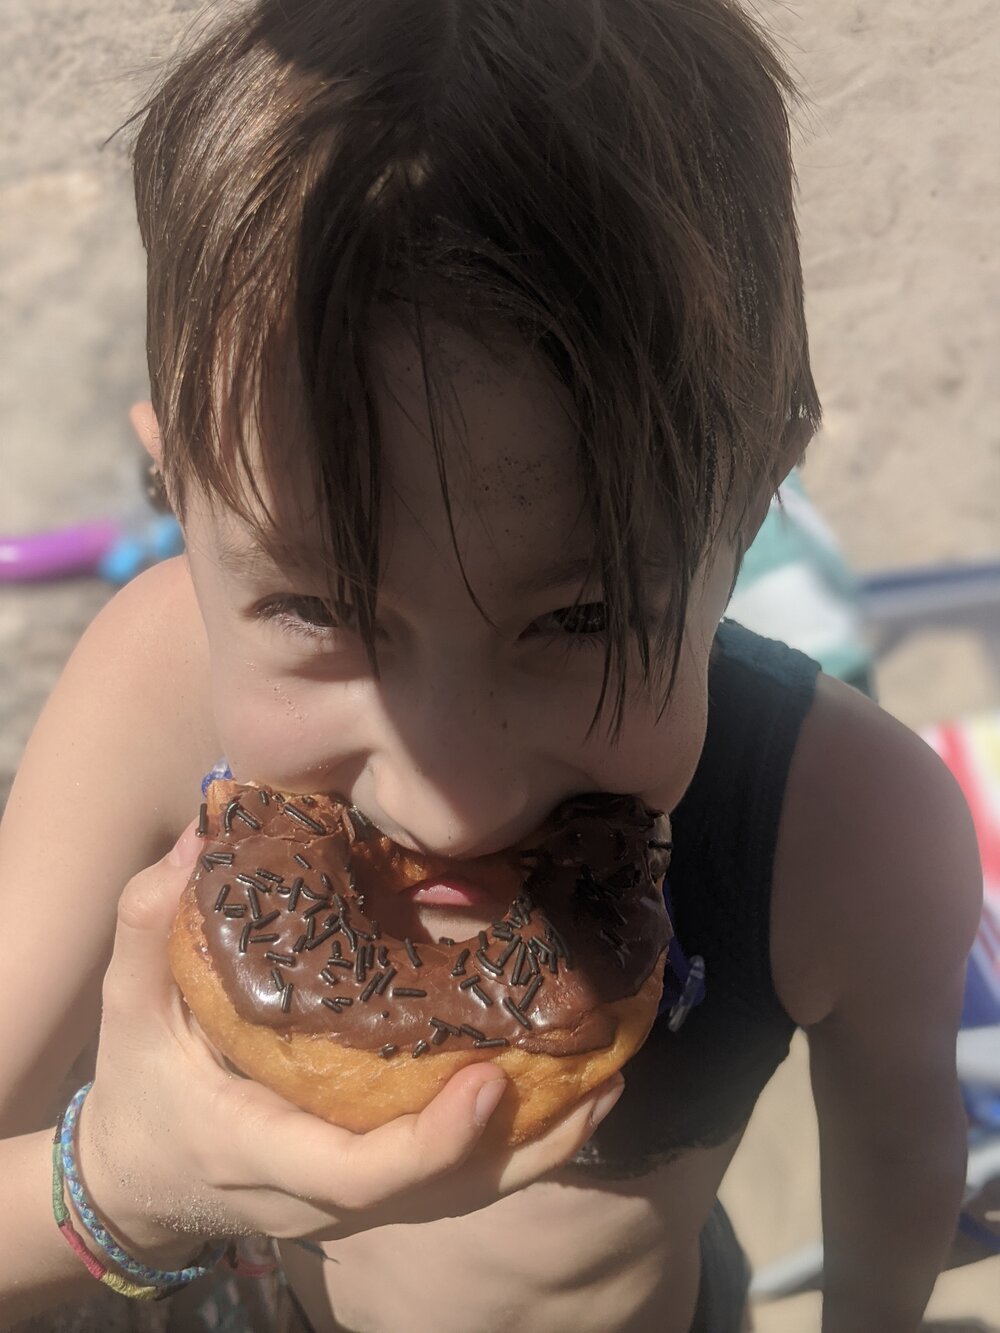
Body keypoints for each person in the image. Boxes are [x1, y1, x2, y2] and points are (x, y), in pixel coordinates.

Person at [0, 1, 983, 1330]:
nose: (451, 799)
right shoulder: (146, 696)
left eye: (579, 621)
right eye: (320, 610)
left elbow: (903, 1160)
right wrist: (123, 1185)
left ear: (753, 500)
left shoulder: (849, 831)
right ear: (177, 485)